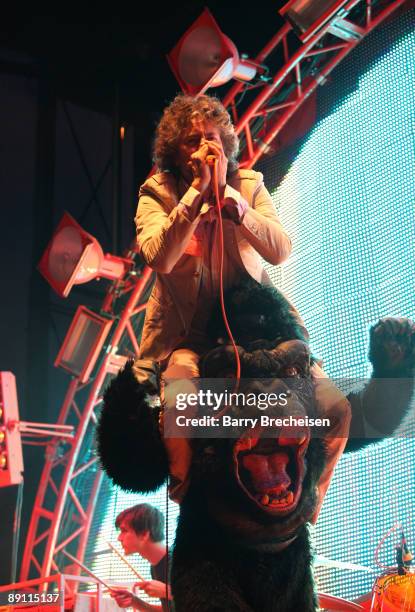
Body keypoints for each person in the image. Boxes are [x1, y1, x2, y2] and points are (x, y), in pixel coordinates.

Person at [134, 93, 350, 519]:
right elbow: (159, 256)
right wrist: (196, 195)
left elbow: (280, 249)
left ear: (228, 143)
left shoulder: (249, 183)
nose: (205, 148)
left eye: (213, 138)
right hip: (189, 337)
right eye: (193, 141)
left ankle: (309, 506)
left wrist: (237, 208)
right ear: (175, 152)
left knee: (337, 409)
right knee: (179, 406)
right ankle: (187, 498)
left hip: (261, 329)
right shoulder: (157, 192)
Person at [109, 504, 171, 612]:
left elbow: (208, 600)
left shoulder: (183, 559)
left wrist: (168, 591)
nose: (119, 538)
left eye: (124, 531)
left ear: (144, 534)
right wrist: (135, 602)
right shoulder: (154, 568)